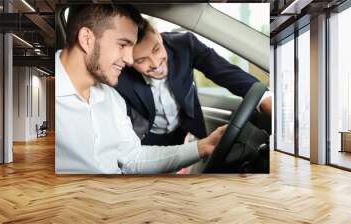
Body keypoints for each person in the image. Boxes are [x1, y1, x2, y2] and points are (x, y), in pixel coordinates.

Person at [55, 4, 226, 174]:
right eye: (123, 45)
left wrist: (202, 147)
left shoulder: (112, 99)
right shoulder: (46, 101)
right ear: (87, 39)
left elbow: (132, 158)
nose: (130, 60)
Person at [115, 18, 272, 146]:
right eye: (141, 60)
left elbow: (225, 72)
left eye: (156, 49)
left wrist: (264, 98)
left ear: (158, 34)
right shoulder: (119, 74)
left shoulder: (185, 44)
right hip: (146, 136)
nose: (155, 63)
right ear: (128, 59)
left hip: (183, 128)